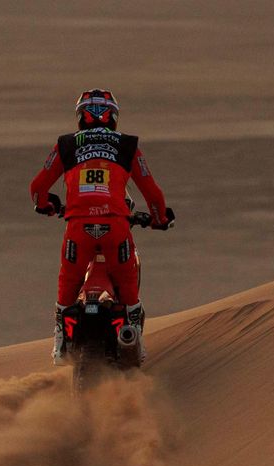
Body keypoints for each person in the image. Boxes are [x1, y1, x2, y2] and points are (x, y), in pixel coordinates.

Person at [30, 89, 174, 363]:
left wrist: (46, 205)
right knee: (128, 285)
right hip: (116, 227)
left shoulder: (66, 144)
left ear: (80, 116)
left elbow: (37, 188)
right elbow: (153, 194)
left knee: (68, 283)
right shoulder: (128, 145)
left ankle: (60, 341)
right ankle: (134, 341)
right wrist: (159, 219)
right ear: (113, 117)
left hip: (78, 228)